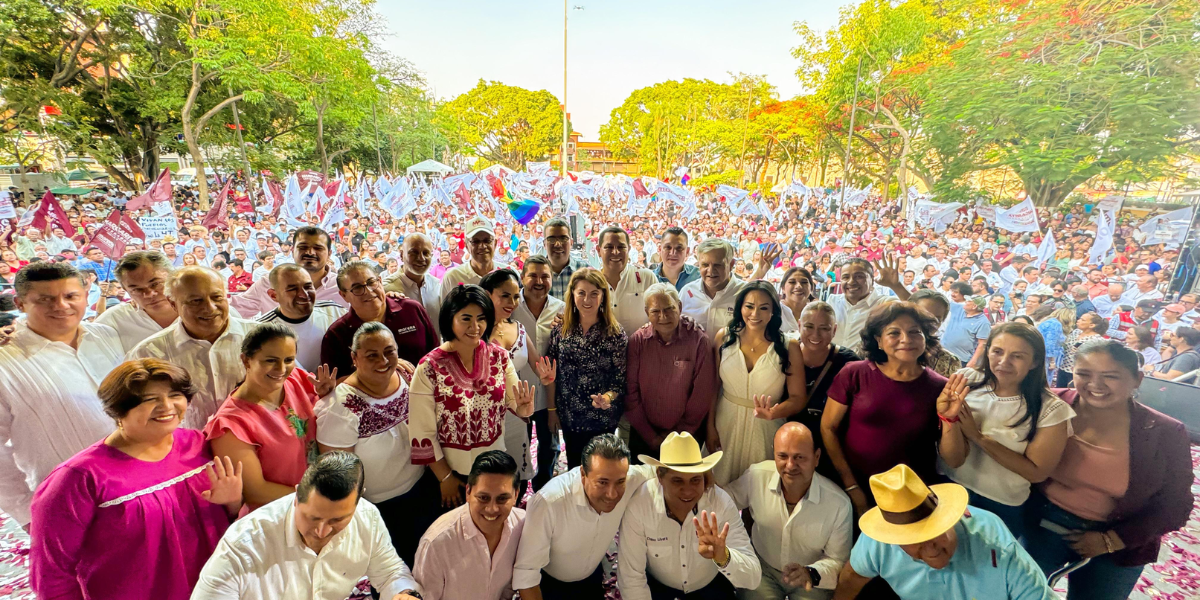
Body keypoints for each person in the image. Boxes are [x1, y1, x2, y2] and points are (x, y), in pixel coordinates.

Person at [29, 359, 243, 600]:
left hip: (212, 588)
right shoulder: (79, 478)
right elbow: (51, 572)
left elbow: (220, 523)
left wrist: (233, 503)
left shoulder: (197, 445)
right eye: (149, 399)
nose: (167, 406)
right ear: (119, 409)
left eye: (175, 394)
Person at [1023, 340, 1193, 600]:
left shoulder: (1165, 432)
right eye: (1084, 374)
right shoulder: (1051, 404)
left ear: (1137, 379)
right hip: (1041, 521)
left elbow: (1176, 506)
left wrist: (1111, 540)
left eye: (1110, 377)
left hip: (1122, 536)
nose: (1095, 385)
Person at [192, 451, 422, 600]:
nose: (322, 532)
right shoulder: (244, 543)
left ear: (358, 502)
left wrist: (404, 593)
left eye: (337, 521)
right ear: (296, 496)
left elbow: (390, 572)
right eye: (312, 518)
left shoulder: (367, 517)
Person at [0, 262, 124, 529]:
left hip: (143, 482)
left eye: (70, 296)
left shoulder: (107, 336)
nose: (61, 306)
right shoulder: (4, 359)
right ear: (20, 303)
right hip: (67, 504)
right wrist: (25, 512)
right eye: (45, 299)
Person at [832, 464, 1054, 600]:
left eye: (934, 529)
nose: (930, 547)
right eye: (913, 539)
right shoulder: (876, 543)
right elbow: (851, 578)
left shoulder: (998, 548)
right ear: (893, 540)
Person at [936, 322, 1073, 538]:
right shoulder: (966, 381)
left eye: (1017, 356)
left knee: (985, 567)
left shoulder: (1050, 409)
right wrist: (948, 418)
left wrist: (978, 437)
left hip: (1000, 504)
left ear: (1035, 361)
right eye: (997, 351)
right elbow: (953, 459)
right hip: (949, 487)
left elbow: (1036, 472)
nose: (1003, 362)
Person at [409, 284, 537, 508]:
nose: (475, 326)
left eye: (481, 318)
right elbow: (422, 432)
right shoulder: (429, 367)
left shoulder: (499, 357)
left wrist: (523, 409)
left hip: (492, 466)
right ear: (450, 319)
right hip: (451, 473)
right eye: (466, 318)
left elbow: (513, 399)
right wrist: (445, 478)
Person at [314, 322, 432, 565]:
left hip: (422, 487)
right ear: (354, 358)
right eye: (371, 355)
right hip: (380, 506)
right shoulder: (341, 406)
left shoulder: (406, 375)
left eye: (389, 351)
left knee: (428, 558)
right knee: (393, 569)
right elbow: (338, 472)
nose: (383, 361)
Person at [822, 302, 948, 519]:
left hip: (912, 495)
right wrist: (851, 487)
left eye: (914, 332)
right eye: (894, 333)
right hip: (856, 486)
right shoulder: (854, 374)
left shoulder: (940, 387)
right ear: (878, 340)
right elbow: (828, 428)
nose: (906, 339)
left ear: (926, 338)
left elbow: (950, 455)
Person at [204, 323, 336, 512]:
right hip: (280, 515)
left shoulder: (298, 379)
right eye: (270, 360)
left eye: (289, 359)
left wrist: (329, 398)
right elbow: (256, 492)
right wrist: (320, 500)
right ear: (246, 360)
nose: (281, 368)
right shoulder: (230, 424)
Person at [618, 431, 762, 599]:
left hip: (710, 587)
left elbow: (753, 578)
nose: (687, 491)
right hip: (658, 588)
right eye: (677, 480)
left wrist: (723, 557)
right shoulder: (640, 505)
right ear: (659, 477)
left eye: (695, 480)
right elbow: (631, 578)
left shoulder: (720, 502)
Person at [514, 434, 655, 600]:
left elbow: (662, 471)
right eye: (602, 482)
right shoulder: (549, 503)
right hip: (550, 585)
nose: (612, 494)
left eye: (620, 482)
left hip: (593, 576)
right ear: (583, 473)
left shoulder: (630, 477)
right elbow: (527, 572)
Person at [727, 423, 853, 600]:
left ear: (816, 457)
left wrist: (811, 573)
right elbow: (725, 500)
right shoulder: (757, 475)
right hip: (762, 570)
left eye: (800, 457)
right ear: (774, 455)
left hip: (812, 579)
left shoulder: (839, 504)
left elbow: (838, 561)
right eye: (783, 456)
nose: (790, 465)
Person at [128, 266, 257, 430]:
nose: (210, 308)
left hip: (258, 443)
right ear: (173, 304)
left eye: (217, 297)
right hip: (188, 450)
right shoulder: (148, 353)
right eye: (196, 301)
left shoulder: (263, 338)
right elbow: (138, 414)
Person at [710, 281, 806, 485]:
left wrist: (774, 413)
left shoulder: (788, 346)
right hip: (724, 422)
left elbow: (798, 398)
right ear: (740, 307)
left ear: (773, 311)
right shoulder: (724, 337)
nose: (755, 313)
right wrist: (710, 427)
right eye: (749, 306)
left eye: (764, 308)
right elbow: (713, 387)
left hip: (766, 429)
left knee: (758, 491)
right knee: (717, 489)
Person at [544, 268, 628, 468]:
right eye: (581, 293)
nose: (587, 300)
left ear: (603, 296)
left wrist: (607, 398)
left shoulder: (615, 334)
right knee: (575, 468)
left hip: (602, 418)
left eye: (594, 294)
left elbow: (619, 380)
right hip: (569, 416)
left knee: (600, 470)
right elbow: (550, 375)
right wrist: (552, 410)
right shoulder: (560, 329)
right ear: (572, 295)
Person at [414, 450, 526, 600]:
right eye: (483, 498)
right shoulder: (436, 543)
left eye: (502, 499)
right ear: (468, 492)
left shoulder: (524, 526)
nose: (492, 509)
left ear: (516, 495)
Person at [479, 268, 556, 485]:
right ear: (487, 294)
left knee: (516, 476)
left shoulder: (519, 328)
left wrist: (546, 376)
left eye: (515, 296)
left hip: (516, 415)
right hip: (482, 418)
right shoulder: (474, 331)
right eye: (504, 295)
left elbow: (537, 364)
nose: (512, 302)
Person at [625, 282, 717, 460]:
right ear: (647, 313)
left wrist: (677, 435)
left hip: (686, 437)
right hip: (643, 435)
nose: (663, 316)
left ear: (680, 307)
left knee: (681, 485)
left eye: (669, 309)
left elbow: (701, 395)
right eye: (655, 311)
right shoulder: (638, 341)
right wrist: (650, 437)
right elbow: (630, 392)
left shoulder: (698, 341)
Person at [321, 260, 438, 377]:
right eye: (357, 288)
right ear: (344, 295)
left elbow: (437, 357)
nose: (368, 291)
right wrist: (381, 368)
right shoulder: (337, 334)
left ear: (380, 281)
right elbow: (334, 384)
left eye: (371, 282)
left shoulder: (412, 310)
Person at [513, 255, 567, 490]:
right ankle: (519, 489)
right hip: (517, 394)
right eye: (532, 275)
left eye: (544, 276)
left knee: (550, 445)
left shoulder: (562, 309)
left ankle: (544, 488)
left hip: (549, 394)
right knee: (518, 445)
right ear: (522, 277)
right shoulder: (511, 308)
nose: (539, 281)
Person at [792, 302, 859, 480]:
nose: (816, 335)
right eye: (809, 326)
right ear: (799, 325)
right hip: (787, 446)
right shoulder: (784, 353)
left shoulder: (848, 363)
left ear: (834, 330)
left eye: (824, 328)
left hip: (829, 448)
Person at [681, 238, 784, 344]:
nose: (710, 271)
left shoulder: (745, 293)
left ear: (731, 264)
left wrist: (759, 273)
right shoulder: (687, 292)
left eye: (717, 265)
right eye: (705, 265)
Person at [230, 226, 348, 317]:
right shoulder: (268, 283)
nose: (310, 252)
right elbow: (235, 309)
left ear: (329, 254)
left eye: (318, 248)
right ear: (292, 251)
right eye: (303, 247)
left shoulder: (343, 286)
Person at [256, 264, 347, 371]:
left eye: (308, 287)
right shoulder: (262, 331)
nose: (303, 294)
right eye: (292, 289)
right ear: (273, 295)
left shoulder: (335, 312)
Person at [96, 251, 179, 353]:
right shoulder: (114, 320)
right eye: (137, 290)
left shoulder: (200, 311)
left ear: (174, 279)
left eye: (156, 284)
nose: (149, 294)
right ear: (126, 290)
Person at [827, 259, 895, 351]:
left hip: (865, 363)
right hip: (832, 362)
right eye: (845, 277)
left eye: (859, 276)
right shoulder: (833, 301)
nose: (851, 281)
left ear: (872, 279)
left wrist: (896, 285)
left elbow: (917, 311)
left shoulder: (884, 304)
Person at [384, 233, 443, 336]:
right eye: (414, 252)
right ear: (402, 255)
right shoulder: (386, 289)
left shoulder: (436, 285)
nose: (421, 258)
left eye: (425, 253)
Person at [440, 215, 498, 300]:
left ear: (495, 243)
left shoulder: (509, 275)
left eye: (487, 240)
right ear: (466, 245)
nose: (482, 246)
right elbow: (445, 312)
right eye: (475, 241)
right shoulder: (452, 277)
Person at [908, 289, 962, 378]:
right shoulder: (888, 350)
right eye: (923, 315)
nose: (928, 322)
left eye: (936, 319)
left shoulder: (949, 361)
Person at [543, 217, 590, 299]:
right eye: (552, 239)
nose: (558, 244)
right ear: (544, 244)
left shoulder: (586, 271)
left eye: (563, 238)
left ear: (571, 243)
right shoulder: (535, 274)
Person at [940, 294, 991, 368]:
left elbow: (982, 344)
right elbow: (943, 301)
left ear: (974, 306)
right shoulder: (959, 309)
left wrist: (973, 361)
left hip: (961, 359)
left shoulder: (983, 322)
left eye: (968, 301)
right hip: (942, 352)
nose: (966, 302)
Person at [1059, 312, 1108, 387]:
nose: (1078, 321)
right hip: (1064, 368)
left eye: (1083, 320)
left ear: (1092, 325)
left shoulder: (1096, 340)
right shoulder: (1076, 332)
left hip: (1079, 372)